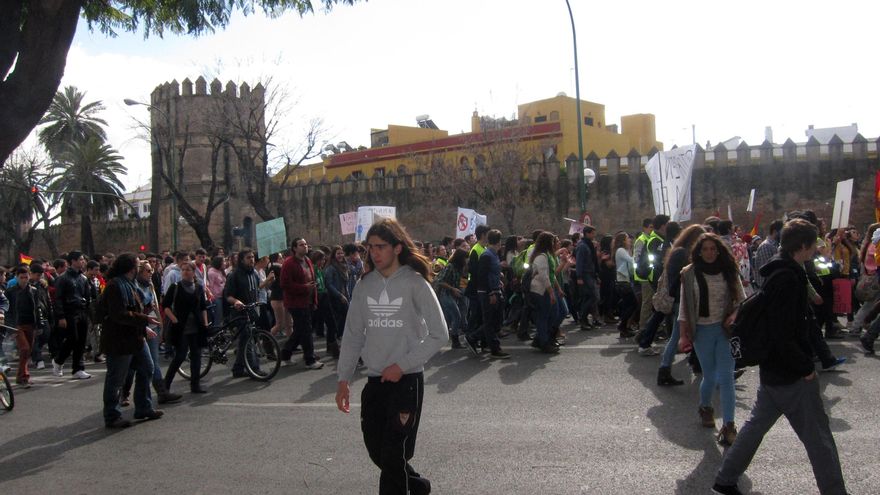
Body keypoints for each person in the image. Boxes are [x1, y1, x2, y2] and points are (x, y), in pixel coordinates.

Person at [712, 219, 848, 495]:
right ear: (804, 246)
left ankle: (724, 480)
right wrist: (804, 367)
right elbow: (783, 330)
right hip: (791, 372)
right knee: (819, 439)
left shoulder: (778, 270)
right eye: (813, 244)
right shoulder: (789, 277)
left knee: (755, 428)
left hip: (773, 369)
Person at [335, 218, 448, 495]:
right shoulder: (364, 286)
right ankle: (418, 486)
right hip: (375, 382)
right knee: (379, 453)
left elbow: (439, 334)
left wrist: (403, 365)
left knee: (393, 452)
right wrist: (343, 379)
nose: (373, 253)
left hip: (407, 381)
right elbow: (352, 335)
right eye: (370, 247)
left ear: (397, 248)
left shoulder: (415, 283)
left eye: (380, 247)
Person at [679, 233, 745, 446]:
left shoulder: (729, 271)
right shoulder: (689, 274)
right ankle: (705, 407)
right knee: (709, 376)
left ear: (719, 251)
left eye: (713, 249)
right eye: (705, 249)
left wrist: (734, 315)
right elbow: (683, 307)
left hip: (725, 330)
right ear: (699, 251)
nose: (709, 253)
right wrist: (682, 335)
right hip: (702, 330)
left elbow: (741, 301)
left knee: (726, 377)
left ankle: (729, 425)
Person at [100, 253, 164, 428]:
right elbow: (118, 314)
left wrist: (144, 320)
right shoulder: (115, 286)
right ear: (130, 268)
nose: (139, 269)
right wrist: (144, 319)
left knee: (147, 368)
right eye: (137, 266)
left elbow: (135, 308)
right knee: (116, 379)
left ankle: (143, 407)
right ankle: (112, 415)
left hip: (135, 336)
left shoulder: (130, 284)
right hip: (119, 339)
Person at [657, 224, 706, 386]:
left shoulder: (679, 251)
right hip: (682, 299)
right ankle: (665, 369)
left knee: (687, 334)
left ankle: (698, 364)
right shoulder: (681, 254)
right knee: (678, 335)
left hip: (683, 298)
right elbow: (679, 279)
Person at [162, 261, 209, 394]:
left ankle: (195, 385)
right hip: (181, 327)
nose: (185, 272)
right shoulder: (175, 287)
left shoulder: (199, 287)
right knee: (180, 356)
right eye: (183, 270)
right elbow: (165, 306)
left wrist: (205, 323)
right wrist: (175, 320)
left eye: (188, 270)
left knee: (196, 356)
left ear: (194, 273)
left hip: (196, 327)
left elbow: (203, 307)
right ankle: (166, 385)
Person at [464, 228, 510, 359]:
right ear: (498, 242)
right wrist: (490, 293)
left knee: (496, 320)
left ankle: (479, 339)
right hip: (487, 292)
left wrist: (498, 281)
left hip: (495, 289)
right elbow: (482, 276)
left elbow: (492, 273)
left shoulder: (493, 254)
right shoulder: (486, 255)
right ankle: (491, 346)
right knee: (490, 321)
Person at [280, 238, 324, 370]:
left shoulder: (308, 261)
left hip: (308, 301)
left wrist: (314, 300)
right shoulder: (289, 263)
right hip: (296, 303)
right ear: (294, 248)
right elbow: (285, 285)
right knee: (306, 330)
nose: (305, 246)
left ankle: (285, 353)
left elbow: (313, 281)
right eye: (301, 245)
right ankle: (309, 359)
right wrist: (304, 288)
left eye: (305, 244)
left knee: (300, 330)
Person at [53, 251, 93, 379]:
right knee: (73, 338)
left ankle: (78, 368)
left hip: (81, 311)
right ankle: (59, 360)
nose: (83, 262)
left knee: (81, 340)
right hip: (69, 312)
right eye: (80, 259)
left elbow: (88, 296)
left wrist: (89, 312)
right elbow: (58, 298)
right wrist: (61, 316)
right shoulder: (63, 278)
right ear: (73, 261)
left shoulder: (83, 278)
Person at [224, 249, 264, 377]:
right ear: (242, 260)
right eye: (248, 257)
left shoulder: (254, 274)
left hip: (251, 311)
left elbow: (256, 290)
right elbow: (228, 295)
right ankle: (254, 368)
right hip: (239, 313)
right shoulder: (234, 275)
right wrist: (236, 302)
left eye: (252, 257)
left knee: (244, 341)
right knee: (248, 340)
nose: (252, 259)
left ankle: (238, 369)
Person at [528, 232, 560, 353]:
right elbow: (544, 276)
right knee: (544, 316)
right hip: (540, 290)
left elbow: (550, 274)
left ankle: (540, 338)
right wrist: (551, 292)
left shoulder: (546, 255)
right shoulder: (541, 256)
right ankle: (543, 342)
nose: (553, 243)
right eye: (552, 241)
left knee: (552, 314)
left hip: (545, 289)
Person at [433, 248, 468, 348]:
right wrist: (453, 289)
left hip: (451, 294)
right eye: (465, 258)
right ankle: (455, 341)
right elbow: (440, 281)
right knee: (456, 316)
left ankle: (439, 339)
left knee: (448, 318)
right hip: (444, 293)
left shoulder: (459, 268)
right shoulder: (450, 267)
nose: (466, 260)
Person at [324, 245, 351, 359]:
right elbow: (329, 285)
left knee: (343, 321)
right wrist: (339, 295)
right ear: (334, 255)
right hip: (335, 299)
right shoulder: (331, 268)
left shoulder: (344, 266)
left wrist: (347, 296)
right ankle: (334, 346)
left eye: (341, 253)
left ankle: (333, 345)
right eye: (338, 253)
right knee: (336, 323)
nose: (340, 255)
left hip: (344, 297)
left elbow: (346, 284)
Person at [612, 231, 637, 339]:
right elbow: (631, 261)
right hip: (622, 282)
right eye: (627, 238)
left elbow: (631, 268)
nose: (629, 240)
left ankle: (624, 328)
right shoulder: (621, 250)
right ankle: (622, 326)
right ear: (623, 241)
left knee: (629, 304)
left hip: (625, 281)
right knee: (633, 303)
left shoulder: (624, 250)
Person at [575, 225, 600, 329]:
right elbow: (579, 262)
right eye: (593, 233)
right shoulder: (582, 246)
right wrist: (579, 277)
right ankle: (583, 319)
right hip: (585, 274)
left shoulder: (588, 244)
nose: (594, 235)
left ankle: (585, 320)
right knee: (591, 296)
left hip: (590, 274)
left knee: (591, 297)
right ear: (587, 233)